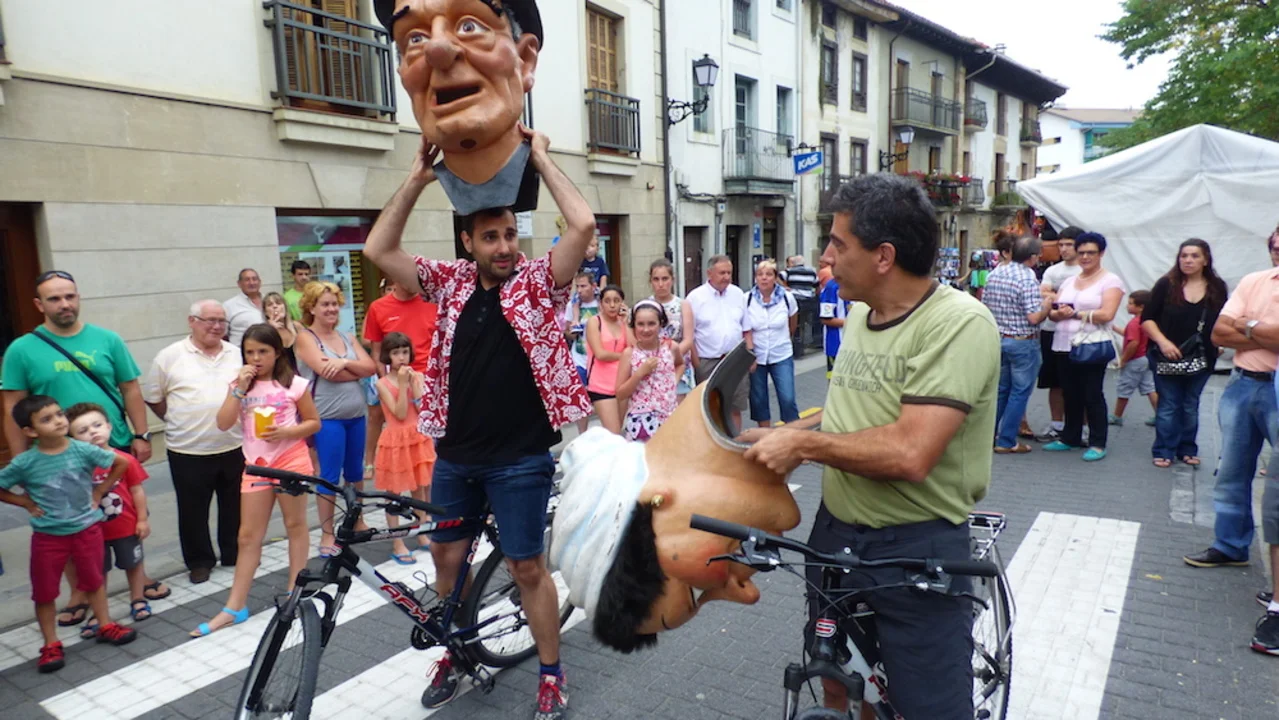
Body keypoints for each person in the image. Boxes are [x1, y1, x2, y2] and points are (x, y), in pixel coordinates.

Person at [735, 173, 1000, 718]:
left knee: (928, 708)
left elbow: (910, 453)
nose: (826, 257)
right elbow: (848, 413)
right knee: (838, 680)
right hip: (836, 535)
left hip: (916, 547)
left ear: (884, 256)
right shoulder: (859, 314)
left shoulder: (958, 323)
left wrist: (804, 450)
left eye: (838, 243)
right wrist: (791, 433)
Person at [363, 123, 593, 717]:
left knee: (527, 568)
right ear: (468, 242)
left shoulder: (538, 282)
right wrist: (417, 178)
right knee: (445, 561)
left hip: (520, 458)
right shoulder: (451, 283)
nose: (505, 246)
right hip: (456, 456)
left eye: (510, 234)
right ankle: (460, 650)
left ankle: (550, 672)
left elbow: (583, 226)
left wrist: (540, 158)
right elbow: (378, 251)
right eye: (491, 237)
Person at [191, 324, 319, 637]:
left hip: (291, 461)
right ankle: (234, 607)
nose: (257, 358)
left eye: (263, 351)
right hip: (257, 466)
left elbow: (314, 422)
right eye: (250, 352)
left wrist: (288, 431)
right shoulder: (240, 385)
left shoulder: (294, 383)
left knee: (295, 526)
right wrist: (239, 388)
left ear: (277, 353)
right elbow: (223, 423)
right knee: (247, 536)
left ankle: (294, 592)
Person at [0, 396, 137, 673]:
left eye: (59, 414)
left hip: (88, 530)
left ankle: (105, 624)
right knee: (44, 591)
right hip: (48, 537)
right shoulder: (25, 462)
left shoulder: (82, 449)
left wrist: (100, 491)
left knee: (95, 581)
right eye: (46, 419)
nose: (58, 421)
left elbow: (120, 463)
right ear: (30, 431)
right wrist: (25, 502)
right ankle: (51, 643)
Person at [2, 271, 153, 466]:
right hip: (56, 454)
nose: (65, 304)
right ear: (39, 305)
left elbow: (130, 389)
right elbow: (13, 408)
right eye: (54, 299)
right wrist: (20, 460)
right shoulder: (20, 350)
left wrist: (141, 435)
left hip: (112, 444)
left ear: (78, 298)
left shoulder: (108, 340)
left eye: (70, 297)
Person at [142, 300, 245, 585]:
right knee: (192, 511)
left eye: (222, 321)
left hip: (233, 445)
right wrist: (179, 419)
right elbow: (154, 398)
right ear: (192, 321)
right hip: (187, 450)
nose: (216, 326)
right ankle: (199, 561)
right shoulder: (169, 356)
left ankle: (234, 552)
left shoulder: (237, 353)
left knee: (234, 505)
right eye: (210, 320)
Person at [66, 403, 169, 626]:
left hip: (126, 526)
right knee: (97, 572)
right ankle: (99, 612)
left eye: (97, 425)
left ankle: (138, 598)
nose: (93, 432)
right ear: (72, 439)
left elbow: (137, 490)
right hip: (92, 531)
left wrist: (142, 520)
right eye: (83, 431)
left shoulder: (125, 460)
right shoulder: (76, 467)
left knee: (134, 564)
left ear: (109, 426)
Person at [295, 281, 377, 558]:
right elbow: (326, 372)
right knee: (329, 476)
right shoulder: (306, 338)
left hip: (356, 416)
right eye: (325, 304)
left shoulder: (347, 337)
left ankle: (356, 519)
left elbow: (371, 367)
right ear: (311, 308)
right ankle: (327, 532)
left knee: (355, 473)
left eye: (334, 304)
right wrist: (354, 370)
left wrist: (344, 362)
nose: (331, 309)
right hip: (327, 418)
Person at [1141, 239, 1227, 468]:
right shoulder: (1166, 284)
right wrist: (1163, 342)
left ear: (1205, 260)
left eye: (1194, 256)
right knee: (1169, 403)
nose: (1188, 260)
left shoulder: (1216, 287)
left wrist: (1220, 341)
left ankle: (1187, 448)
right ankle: (1164, 449)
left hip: (1202, 356)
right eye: (1184, 256)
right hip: (1166, 355)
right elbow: (1147, 319)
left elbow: (1224, 318)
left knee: (1190, 404)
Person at [1044, 233, 1125, 462]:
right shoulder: (1070, 281)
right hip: (1063, 343)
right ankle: (1070, 437)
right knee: (1070, 392)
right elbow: (1054, 311)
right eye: (1081, 253)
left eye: (1091, 252)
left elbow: (1107, 314)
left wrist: (1076, 313)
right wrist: (1057, 313)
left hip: (1091, 344)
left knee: (1092, 394)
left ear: (1101, 253)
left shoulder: (1110, 281)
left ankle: (1098, 442)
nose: (1086, 257)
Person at [363, 277, 440, 484]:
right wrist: (386, 382)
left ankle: (429, 472)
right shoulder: (378, 307)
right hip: (392, 376)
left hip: (427, 376)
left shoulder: (432, 302)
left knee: (425, 427)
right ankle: (370, 461)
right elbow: (376, 350)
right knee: (377, 417)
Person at [983, 236, 1052, 454]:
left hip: (999, 337)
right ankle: (1006, 440)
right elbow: (1033, 317)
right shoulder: (1027, 278)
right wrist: (1047, 306)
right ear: (1032, 257)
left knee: (1001, 390)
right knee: (1019, 392)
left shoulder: (995, 273)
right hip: (1023, 341)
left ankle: (988, 436)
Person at [373, 332, 434, 564]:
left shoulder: (417, 376)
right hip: (395, 440)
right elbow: (399, 413)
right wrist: (401, 384)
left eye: (405, 352)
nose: (401, 357)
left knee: (420, 488)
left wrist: (414, 385)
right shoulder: (382, 383)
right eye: (396, 352)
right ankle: (397, 541)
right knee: (393, 493)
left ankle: (421, 532)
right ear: (388, 355)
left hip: (416, 436)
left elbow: (421, 409)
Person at [683, 256, 749, 430]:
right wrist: (697, 364)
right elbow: (690, 335)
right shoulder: (695, 298)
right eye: (722, 273)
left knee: (735, 407)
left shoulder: (738, 294)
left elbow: (746, 328)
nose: (726, 277)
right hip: (708, 362)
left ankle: (734, 442)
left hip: (735, 361)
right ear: (709, 273)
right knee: (709, 409)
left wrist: (749, 358)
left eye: (729, 273)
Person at [1036, 226, 1085, 442]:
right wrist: (1067, 299)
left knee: (1080, 383)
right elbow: (1043, 292)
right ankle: (1057, 424)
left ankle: (1083, 427)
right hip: (1051, 330)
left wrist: (1056, 297)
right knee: (1054, 381)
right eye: (1061, 244)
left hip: (1079, 333)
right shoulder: (1053, 271)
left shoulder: (1085, 271)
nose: (1064, 249)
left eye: (1068, 245)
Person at [743, 259, 800, 428]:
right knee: (758, 399)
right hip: (757, 356)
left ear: (775, 277)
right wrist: (749, 353)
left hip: (781, 353)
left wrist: (786, 338)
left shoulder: (787, 298)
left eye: (768, 274)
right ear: (755, 278)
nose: (764, 278)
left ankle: (792, 434)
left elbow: (792, 322)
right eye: (760, 274)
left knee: (787, 397)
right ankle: (765, 434)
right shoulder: (747, 299)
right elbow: (744, 328)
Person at [615, 301, 682, 442]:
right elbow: (620, 394)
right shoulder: (629, 354)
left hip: (670, 415)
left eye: (651, 324)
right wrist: (639, 373)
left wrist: (674, 380)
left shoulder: (671, 347)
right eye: (640, 324)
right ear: (634, 325)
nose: (646, 329)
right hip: (641, 420)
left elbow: (680, 364)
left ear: (661, 323)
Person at [645, 258, 695, 402]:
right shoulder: (645, 305)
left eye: (665, 279)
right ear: (651, 281)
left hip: (678, 364)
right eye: (656, 279)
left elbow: (688, 339)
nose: (660, 284)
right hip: (652, 365)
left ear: (672, 280)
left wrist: (669, 358)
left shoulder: (683, 305)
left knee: (678, 410)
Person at [585, 285, 633, 434]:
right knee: (614, 432)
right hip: (601, 386)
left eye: (616, 301)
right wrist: (623, 356)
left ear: (622, 303)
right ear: (601, 303)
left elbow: (634, 349)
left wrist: (626, 322)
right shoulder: (595, 322)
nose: (612, 305)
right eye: (607, 301)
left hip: (622, 384)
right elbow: (600, 354)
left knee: (617, 432)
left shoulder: (624, 323)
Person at [1109, 290, 1159, 427]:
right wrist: (1114, 328)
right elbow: (1129, 335)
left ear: (1141, 307)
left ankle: (1117, 415)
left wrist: (1124, 360)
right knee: (1150, 387)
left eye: (1131, 303)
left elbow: (1133, 342)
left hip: (1135, 360)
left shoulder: (1133, 323)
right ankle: (1160, 415)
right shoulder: (1147, 321)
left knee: (1124, 387)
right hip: (1146, 358)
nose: (1127, 306)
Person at [563, 271, 600, 431]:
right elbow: (566, 331)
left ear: (593, 286)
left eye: (583, 286)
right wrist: (572, 331)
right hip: (579, 357)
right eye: (577, 286)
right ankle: (582, 434)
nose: (579, 290)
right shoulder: (572, 305)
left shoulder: (602, 302)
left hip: (599, 359)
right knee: (580, 399)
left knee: (600, 398)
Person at [818, 275, 851, 380]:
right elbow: (826, 318)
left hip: (857, 345)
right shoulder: (832, 287)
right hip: (836, 345)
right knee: (835, 382)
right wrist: (853, 322)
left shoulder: (861, 283)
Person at [224, 268, 265, 347]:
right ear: (239, 284)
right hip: (240, 352)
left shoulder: (270, 301)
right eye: (247, 280)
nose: (251, 283)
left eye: (254, 279)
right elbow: (222, 334)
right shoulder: (229, 305)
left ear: (260, 282)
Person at [264, 291, 300, 371]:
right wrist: (271, 329)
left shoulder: (296, 326)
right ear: (265, 312)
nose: (275, 306)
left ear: (285, 307)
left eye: (278, 303)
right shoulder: (265, 331)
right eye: (270, 305)